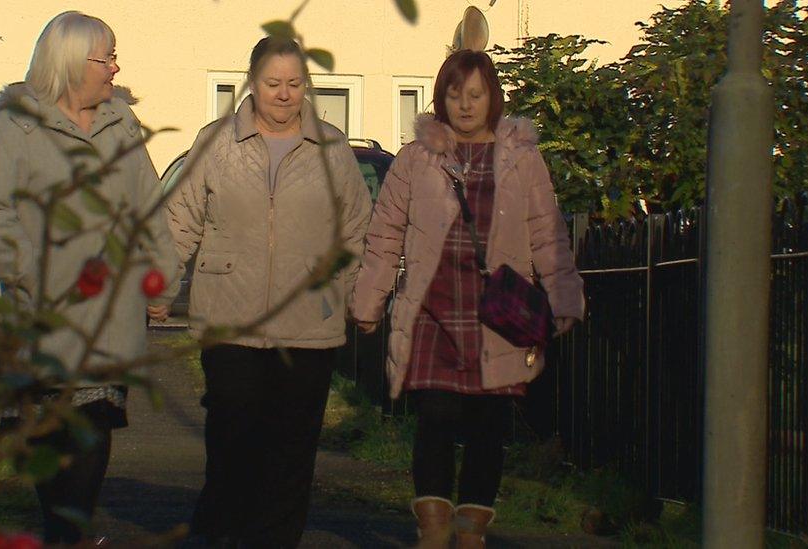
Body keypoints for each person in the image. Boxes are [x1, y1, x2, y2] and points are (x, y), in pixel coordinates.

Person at [350, 50, 584, 548]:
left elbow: (547, 234)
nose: (465, 105)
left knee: (487, 425)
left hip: (497, 316)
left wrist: (563, 296)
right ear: (442, 98)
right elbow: (385, 233)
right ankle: (433, 529)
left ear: (492, 97)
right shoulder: (417, 159)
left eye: (475, 94)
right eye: (455, 94)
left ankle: (471, 532)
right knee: (434, 417)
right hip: (433, 313)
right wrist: (369, 301)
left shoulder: (522, 159)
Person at [0, 11, 179, 545]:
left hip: (109, 315)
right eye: (105, 57)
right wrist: (29, 274)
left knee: (92, 431)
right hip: (43, 315)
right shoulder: (16, 125)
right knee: (52, 433)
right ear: (70, 63)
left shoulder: (121, 124)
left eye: (114, 56)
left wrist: (161, 277)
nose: (116, 68)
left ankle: (70, 533)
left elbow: (147, 205)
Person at [164, 36, 372, 547]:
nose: (284, 94)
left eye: (295, 84)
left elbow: (356, 229)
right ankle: (220, 535)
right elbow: (179, 221)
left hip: (307, 325)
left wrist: (341, 294)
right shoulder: (214, 143)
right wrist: (161, 285)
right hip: (228, 319)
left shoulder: (332, 148)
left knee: (291, 453)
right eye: (273, 83)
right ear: (252, 83)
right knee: (232, 441)